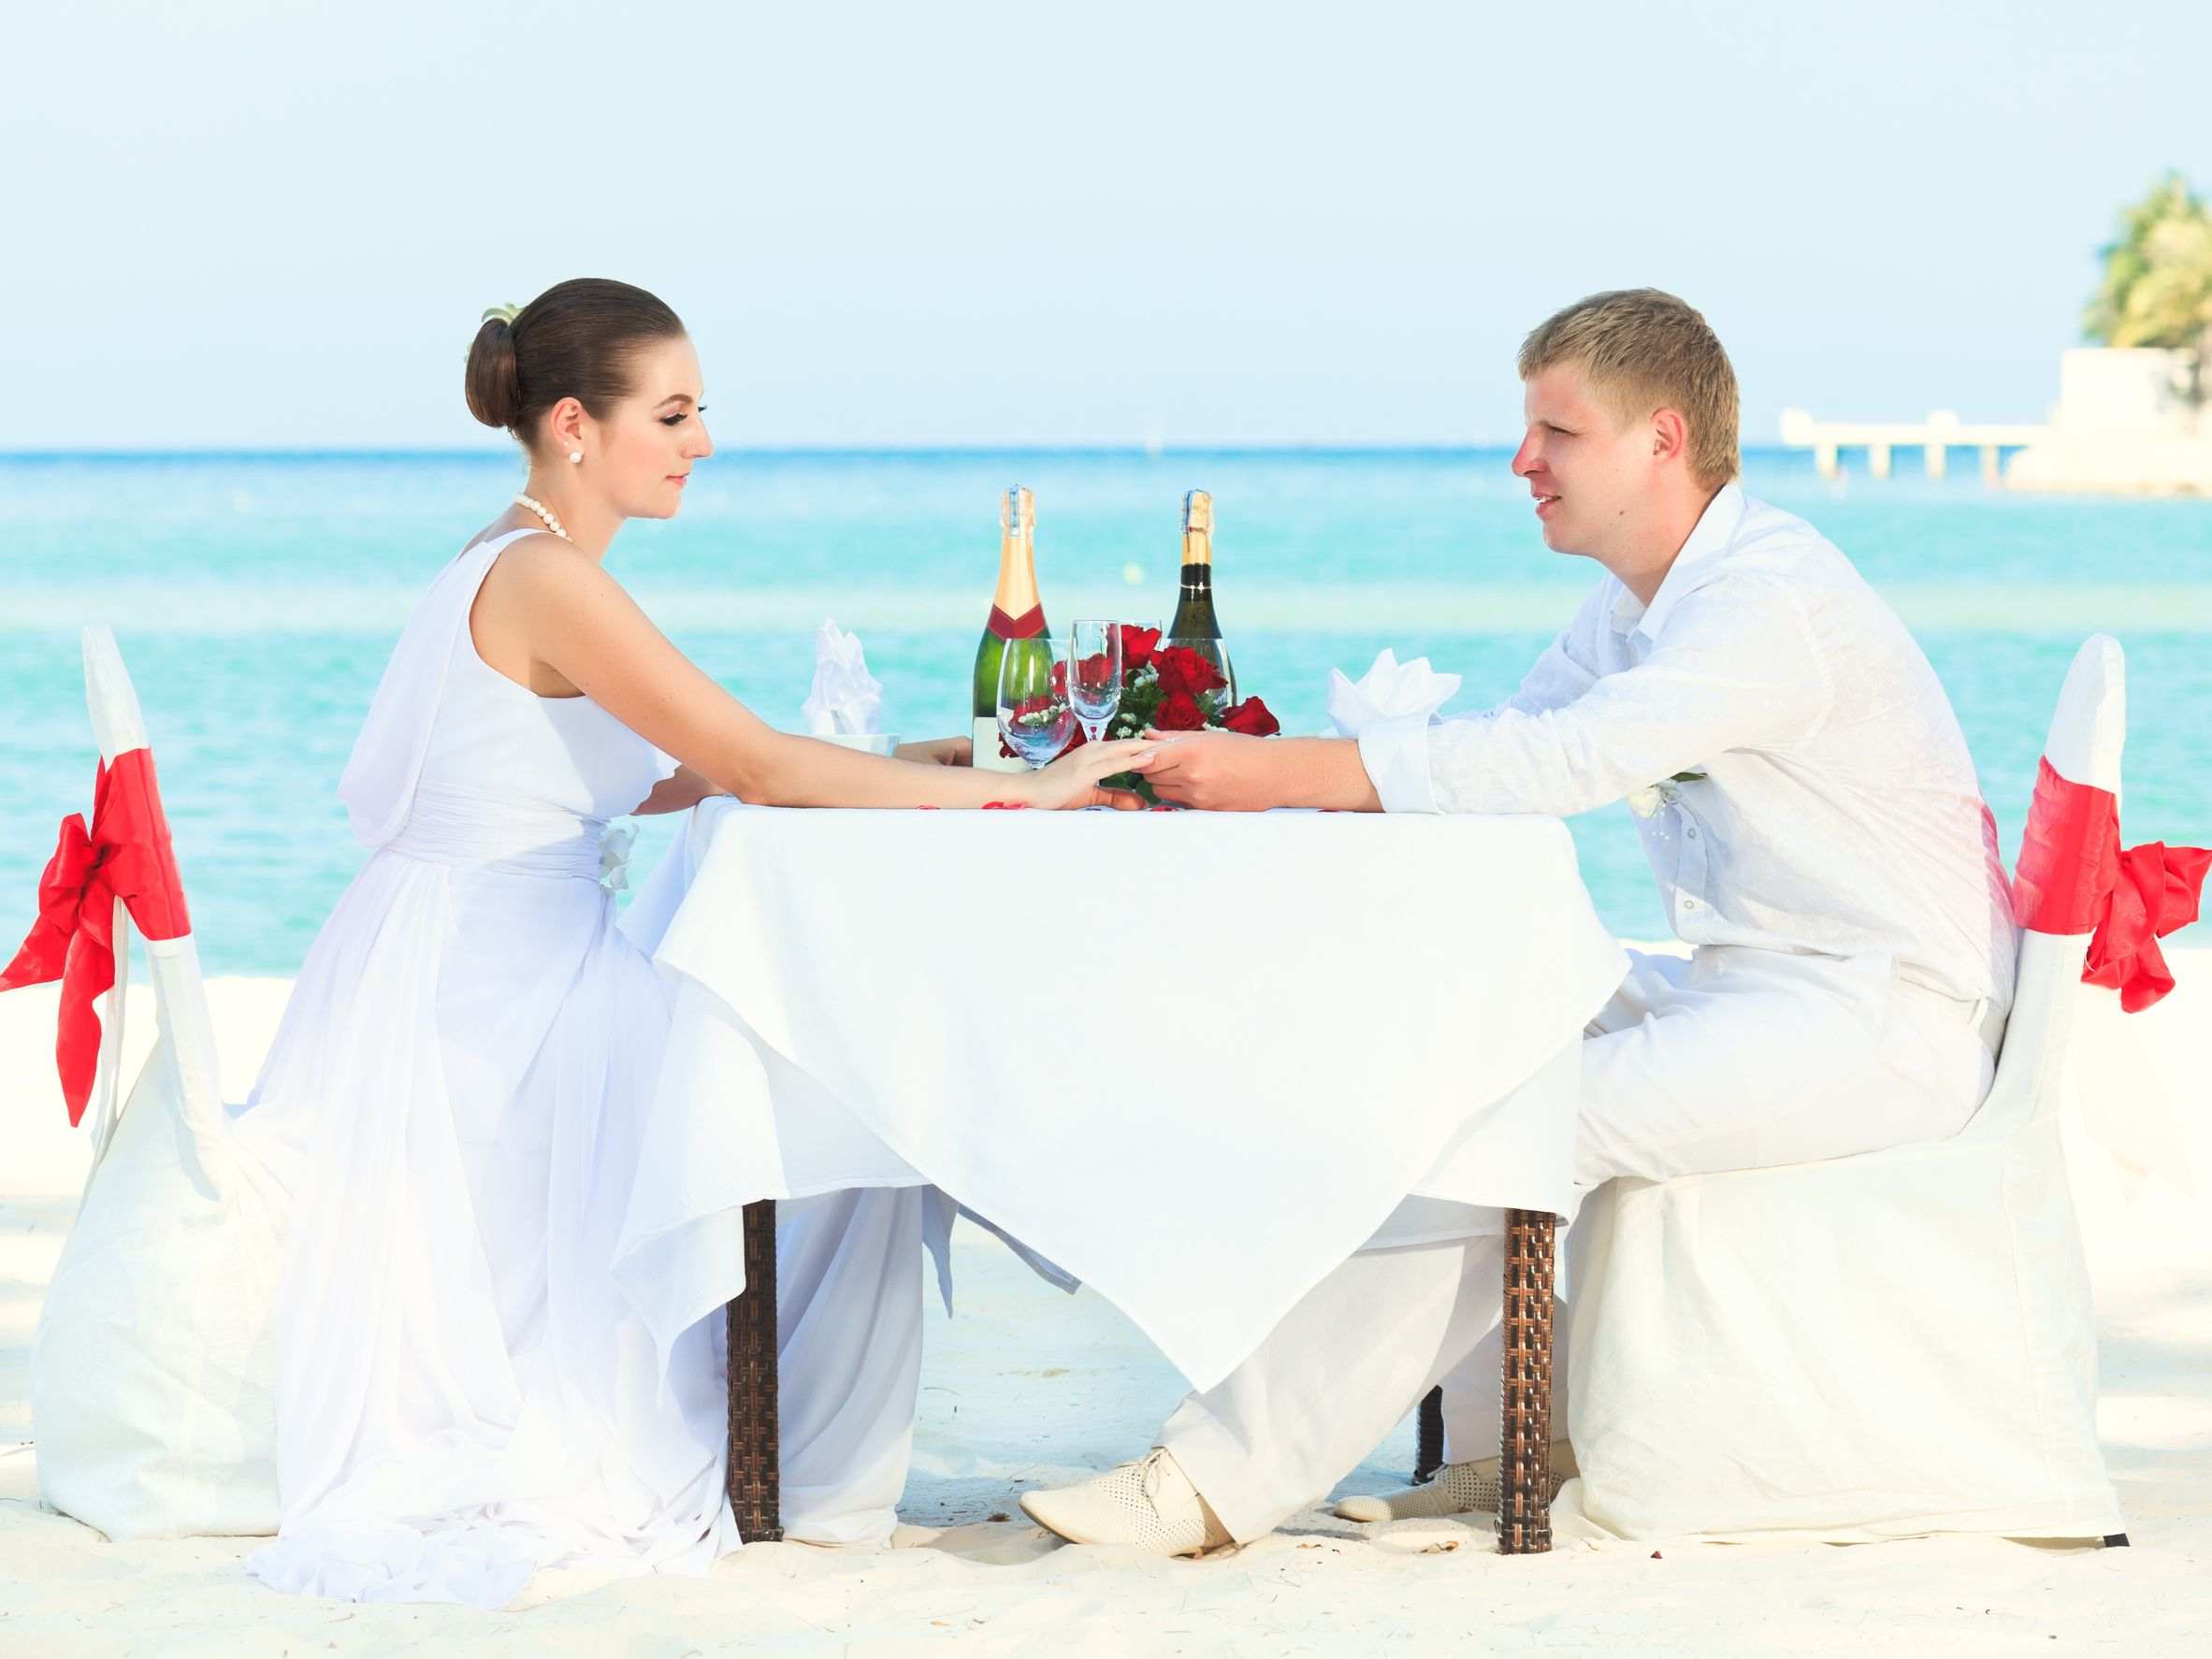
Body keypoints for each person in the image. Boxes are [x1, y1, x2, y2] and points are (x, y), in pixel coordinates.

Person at [1019, 288, 2017, 1552]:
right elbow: (1500, 747)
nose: (1521, 461)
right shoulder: (1637, 604)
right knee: (1465, 1034)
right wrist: (1254, 783)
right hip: (1755, 984)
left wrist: (1278, 774)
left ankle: (1214, 1481)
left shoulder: (1764, 601)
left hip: (1884, 1014)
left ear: (1661, 440)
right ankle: (1504, 1452)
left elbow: (1563, 763)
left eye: (1558, 432)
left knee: (1526, 1120)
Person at [234, 278, 1151, 1606]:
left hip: (470, 960)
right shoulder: (547, 576)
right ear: (574, 425)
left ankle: (811, 1461)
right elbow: (755, 765)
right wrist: (1031, 794)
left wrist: (925, 760)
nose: (702, 442)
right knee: (846, 1089)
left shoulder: (518, 556)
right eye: (672, 415)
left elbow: (665, 774)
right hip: (491, 1001)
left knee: (820, 1075)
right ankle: (814, 1474)